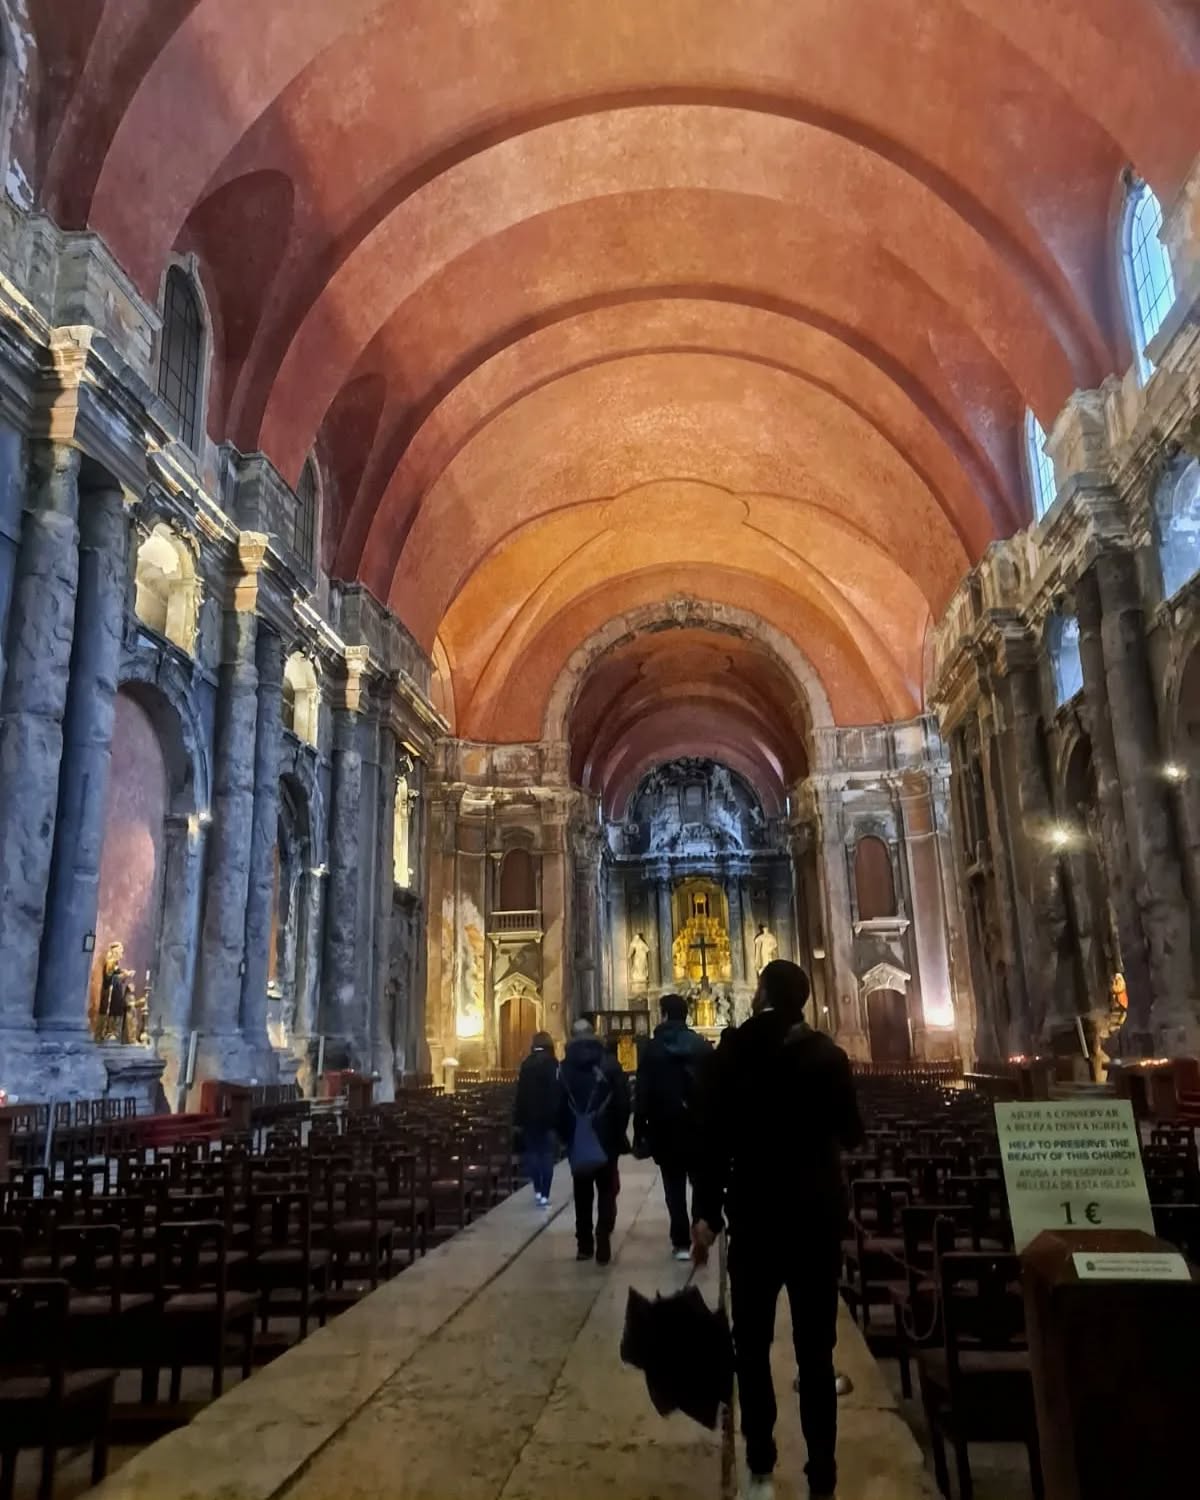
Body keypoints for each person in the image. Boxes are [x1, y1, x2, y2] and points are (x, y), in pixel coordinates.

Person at [692, 960, 863, 1500]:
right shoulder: (828, 1056)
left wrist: (706, 1214)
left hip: (757, 1217)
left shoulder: (734, 1053)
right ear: (803, 1002)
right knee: (817, 1355)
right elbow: (853, 1134)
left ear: (761, 994)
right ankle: (823, 1477)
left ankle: (761, 1461)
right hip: (815, 1220)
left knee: (752, 1347)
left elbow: (712, 1139)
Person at [634, 993, 712, 1259]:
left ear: (664, 1015)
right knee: (700, 1182)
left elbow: (642, 1092)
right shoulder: (701, 1046)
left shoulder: (652, 1049)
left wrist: (640, 1127)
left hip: (665, 1126)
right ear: (686, 1015)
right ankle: (699, 1232)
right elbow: (715, 1088)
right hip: (698, 1127)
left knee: (673, 1185)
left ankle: (680, 1242)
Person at [558, 1019, 630, 1264]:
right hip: (607, 1138)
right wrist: (619, 1132)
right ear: (594, 1034)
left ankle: (584, 1245)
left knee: (582, 1191)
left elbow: (559, 1105)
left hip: (579, 1139)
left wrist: (566, 1135)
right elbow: (622, 1101)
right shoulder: (609, 1063)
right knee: (607, 1189)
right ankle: (603, 1233)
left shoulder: (565, 1067)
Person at [513, 1031, 559, 1206]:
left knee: (532, 1154)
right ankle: (545, 1193)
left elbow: (521, 1094)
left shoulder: (526, 1064)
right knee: (546, 1155)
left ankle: (538, 1189)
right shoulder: (553, 1064)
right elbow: (557, 1092)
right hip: (548, 1118)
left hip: (529, 1118)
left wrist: (518, 1119)